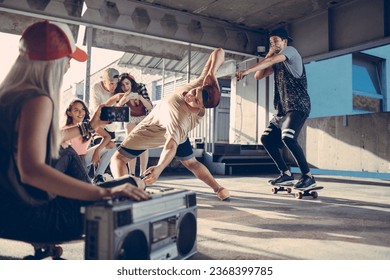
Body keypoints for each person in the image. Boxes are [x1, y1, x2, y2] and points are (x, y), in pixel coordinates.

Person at [0, 20, 149, 243]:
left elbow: (50, 140)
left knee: (68, 151)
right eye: (68, 59)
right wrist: (104, 194)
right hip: (36, 219)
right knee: (133, 185)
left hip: (8, 215)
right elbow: (31, 170)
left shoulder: (9, 96)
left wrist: (90, 126)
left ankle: (88, 193)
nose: (69, 66)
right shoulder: (37, 99)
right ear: (54, 61)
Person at [110, 48, 231, 201]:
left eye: (196, 100)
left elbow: (170, 146)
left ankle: (126, 192)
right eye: (194, 91)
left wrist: (159, 169)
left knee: (118, 159)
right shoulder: (204, 86)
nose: (189, 95)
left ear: (201, 107)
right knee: (190, 162)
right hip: (174, 130)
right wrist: (212, 72)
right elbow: (219, 52)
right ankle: (219, 189)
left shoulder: (178, 116)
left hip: (153, 131)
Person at [235, 28, 316, 189]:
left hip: (298, 106)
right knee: (266, 139)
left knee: (288, 138)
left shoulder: (291, 52)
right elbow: (259, 76)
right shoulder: (277, 62)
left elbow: (269, 63)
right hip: (282, 110)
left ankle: (308, 176)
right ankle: (285, 174)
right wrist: (268, 54)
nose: (273, 44)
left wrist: (246, 70)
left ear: (285, 41)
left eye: (276, 41)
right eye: (271, 42)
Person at [62, 99, 117, 184]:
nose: (81, 113)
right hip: (72, 161)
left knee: (111, 145)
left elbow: (107, 137)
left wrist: (97, 151)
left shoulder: (89, 125)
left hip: (84, 157)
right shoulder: (66, 129)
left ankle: (98, 176)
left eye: (83, 109)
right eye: (76, 110)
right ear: (69, 113)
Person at [115, 73, 153, 176]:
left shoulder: (140, 87)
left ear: (131, 83)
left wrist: (140, 98)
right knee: (131, 142)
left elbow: (150, 107)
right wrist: (121, 102)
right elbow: (116, 113)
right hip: (130, 117)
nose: (125, 87)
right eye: (122, 85)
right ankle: (131, 173)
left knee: (143, 144)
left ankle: (143, 173)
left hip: (143, 116)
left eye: (127, 84)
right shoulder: (120, 93)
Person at [90, 67, 123, 142]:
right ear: (104, 82)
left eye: (116, 83)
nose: (114, 86)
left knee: (110, 148)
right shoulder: (96, 87)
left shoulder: (118, 88)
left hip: (110, 123)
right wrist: (114, 98)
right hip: (98, 123)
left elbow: (119, 112)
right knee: (99, 144)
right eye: (111, 83)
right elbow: (97, 110)